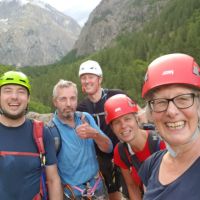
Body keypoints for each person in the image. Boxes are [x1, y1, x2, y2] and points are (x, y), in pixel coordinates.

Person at [139, 53, 200, 200]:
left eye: (183, 99)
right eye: (160, 102)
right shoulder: (151, 165)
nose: (172, 112)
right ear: (151, 113)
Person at [0, 71, 63, 200]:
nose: (14, 96)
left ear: (28, 98)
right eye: (7, 90)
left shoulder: (41, 132)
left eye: (21, 91)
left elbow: (53, 180)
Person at [51, 79, 113, 199]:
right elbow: (51, 176)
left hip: (98, 188)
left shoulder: (86, 118)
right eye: (63, 99)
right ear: (55, 102)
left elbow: (108, 148)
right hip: (72, 194)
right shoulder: (50, 131)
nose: (68, 103)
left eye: (72, 98)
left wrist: (95, 134)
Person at [77, 60, 125, 200]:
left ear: (100, 79)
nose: (87, 81)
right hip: (99, 160)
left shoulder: (116, 96)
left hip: (121, 153)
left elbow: (137, 116)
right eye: (83, 78)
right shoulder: (82, 108)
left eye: (91, 77)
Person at [104, 94, 166, 200]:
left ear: (136, 119)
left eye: (127, 119)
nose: (123, 126)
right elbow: (132, 187)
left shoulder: (160, 143)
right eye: (117, 122)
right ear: (112, 128)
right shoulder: (121, 152)